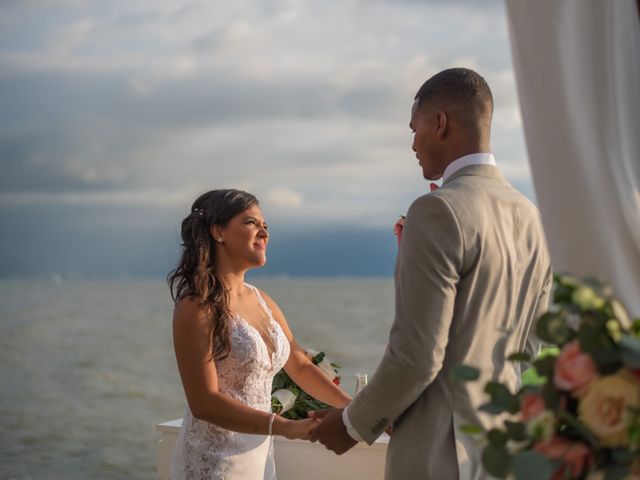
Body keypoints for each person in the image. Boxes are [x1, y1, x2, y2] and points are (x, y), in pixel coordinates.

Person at [310, 68, 552, 480]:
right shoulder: (531, 216)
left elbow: (419, 357)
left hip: (439, 451)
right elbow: (530, 344)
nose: (412, 144)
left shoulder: (438, 209)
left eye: (414, 128)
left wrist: (352, 422)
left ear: (439, 123)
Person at [168, 189, 351, 480]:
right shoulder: (196, 307)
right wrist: (284, 426)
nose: (264, 232)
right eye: (251, 223)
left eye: (265, 225)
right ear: (218, 232)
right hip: (213, 462)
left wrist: (352, 408)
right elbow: (203, 402)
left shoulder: (263, 300)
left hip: (259, 458)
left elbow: (300, 365)